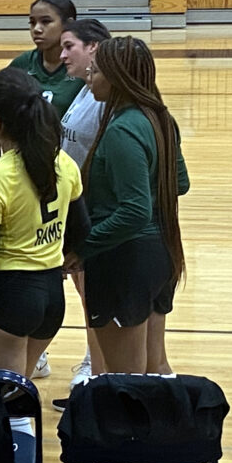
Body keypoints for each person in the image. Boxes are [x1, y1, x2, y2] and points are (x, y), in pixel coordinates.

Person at [0, 67, 89, 434]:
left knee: (7, 400)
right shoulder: (64, 164)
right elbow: (82, 231)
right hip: (51, 297)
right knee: (20, 392)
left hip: (8, 299)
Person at [64, 36, 189, 375]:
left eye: (97, 69)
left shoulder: (122, 130)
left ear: (118, 77)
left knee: (121, 378)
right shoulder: (161, 118)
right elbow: (180, 182)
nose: (90, 75)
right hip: (160, 253)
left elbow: (134, 211)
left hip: (124, 261)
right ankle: (168, 429)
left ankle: (133, 430)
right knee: (155, 365)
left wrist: (83, 247)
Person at [55, 18, 112, 402]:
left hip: (96, 214)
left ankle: (98, 369)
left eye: (69, 46)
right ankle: (95, 362)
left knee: (97, 295)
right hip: (77, 210)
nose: (62, 55)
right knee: (86, 293)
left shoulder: (107, 97)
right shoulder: (83, 90)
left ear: (93, 48)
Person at [9, 0, 83, 119]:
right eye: (32, 23)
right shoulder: (23, 63)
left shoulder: (83, 66)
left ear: (68, 24)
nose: (36, 29)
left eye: (46, 21)